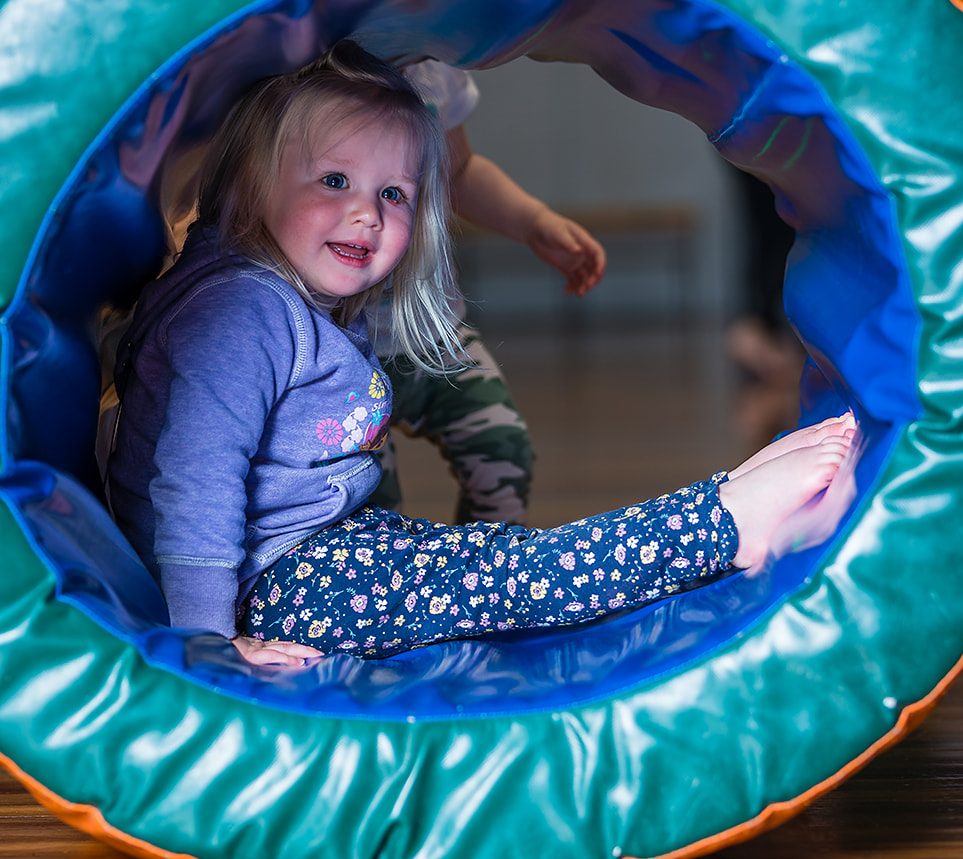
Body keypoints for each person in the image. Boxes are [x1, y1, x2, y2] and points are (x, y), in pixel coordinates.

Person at [107, 41, 855, 669]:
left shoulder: (278, 294)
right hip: (280, 588)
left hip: (317, 559)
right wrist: (205, 648)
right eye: (333, 180)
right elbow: (193, 487)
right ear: (249, 185)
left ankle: (720, 524)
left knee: (495, 565)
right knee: (510, 577)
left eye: (395, 193)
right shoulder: (240, 312)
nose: (366, 212)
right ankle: (721, 520)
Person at [371, 59, 605, 523]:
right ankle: (377, 589)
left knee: (503, 448)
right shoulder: (314, 64)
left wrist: (533, 221)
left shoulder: (435, 69)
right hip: (339, 348)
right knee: (368, 498)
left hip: (433, 330)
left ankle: (482, 578)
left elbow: (459, 172)